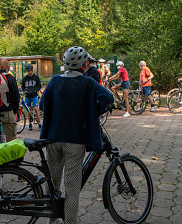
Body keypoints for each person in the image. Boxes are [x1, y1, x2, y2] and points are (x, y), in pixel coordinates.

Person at [40, 46, 114, 224]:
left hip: (52, 138)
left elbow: (42, 105)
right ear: (84, 64)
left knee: (52, 181)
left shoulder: (54, 81)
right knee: (72, 186)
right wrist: (92, 110)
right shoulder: (88, 82)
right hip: (75, 141)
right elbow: (108, 98)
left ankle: (51, 219)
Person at [21, 63, 42, 130]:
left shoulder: (36, 77)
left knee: (36, 109)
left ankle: (39, 123)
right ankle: (30, 123)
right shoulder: (25, 78)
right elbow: (23, 87)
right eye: (27, 71)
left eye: (30, 71)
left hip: (34, 95)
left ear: (32, 70)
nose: (29, 72)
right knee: (28, 110)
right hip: (27, 96)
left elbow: (39, 85)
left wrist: (36, 90)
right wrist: (25, 91)